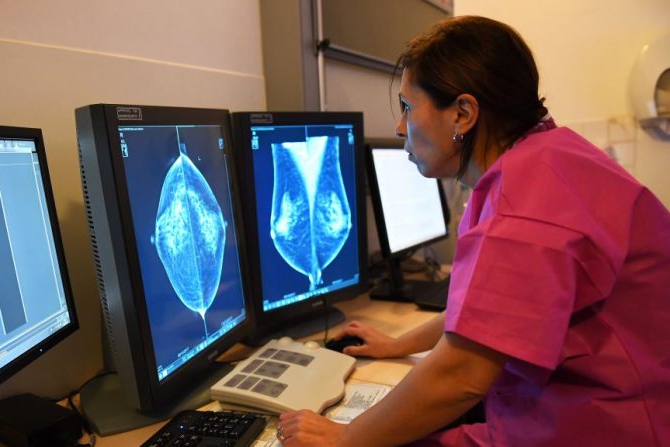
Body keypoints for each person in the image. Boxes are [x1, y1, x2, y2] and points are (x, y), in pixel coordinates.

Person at [276, 15, 670, 446]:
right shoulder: (544, 159)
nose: (399, 127)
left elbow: (462, 373)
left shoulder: (524, 207)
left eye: (408, 107)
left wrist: (345, 439)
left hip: (611, 424)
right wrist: (398, 344)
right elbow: (490, 314)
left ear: (462, 113)